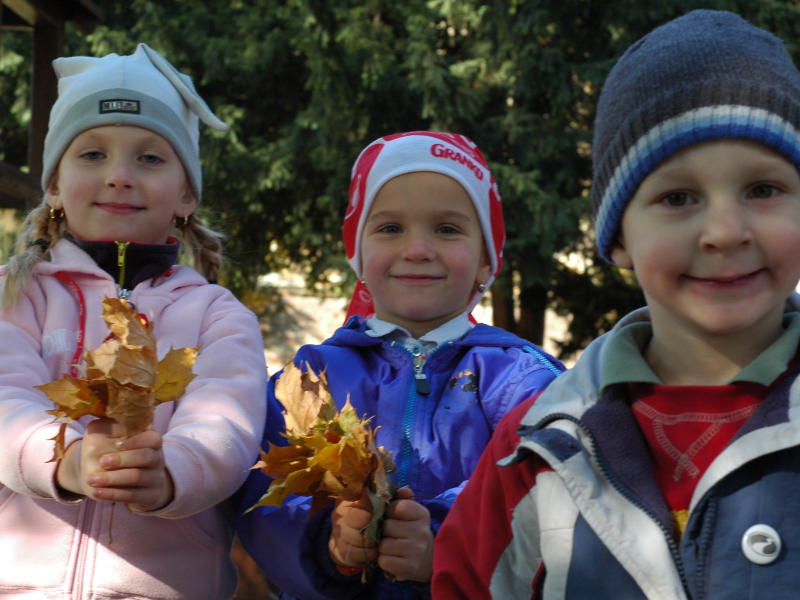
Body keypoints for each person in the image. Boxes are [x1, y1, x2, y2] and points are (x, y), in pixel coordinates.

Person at [431, 9, 800, 599]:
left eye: (763, 189)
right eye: (678, 197)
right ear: (620, 236)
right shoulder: (534, 450)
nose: (725, 232)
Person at [235, 131, 564, 599]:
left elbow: (542, 491)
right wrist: (330, 543)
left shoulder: (521, 379)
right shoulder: (311, 378)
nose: (417, 249)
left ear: (485, 262)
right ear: (358, 254)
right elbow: (263, 496)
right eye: (390, 228)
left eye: (446, 229)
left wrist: (446, 541)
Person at [0, 44, 267, 599]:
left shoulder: (218, 316)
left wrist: (172, 471)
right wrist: (66, 460)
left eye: (149, 158)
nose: (119, 176)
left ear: (186, 194)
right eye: (92, 154)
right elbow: (4, 398)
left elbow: (230, 423)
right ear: (54, 185)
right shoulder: (13, 296)